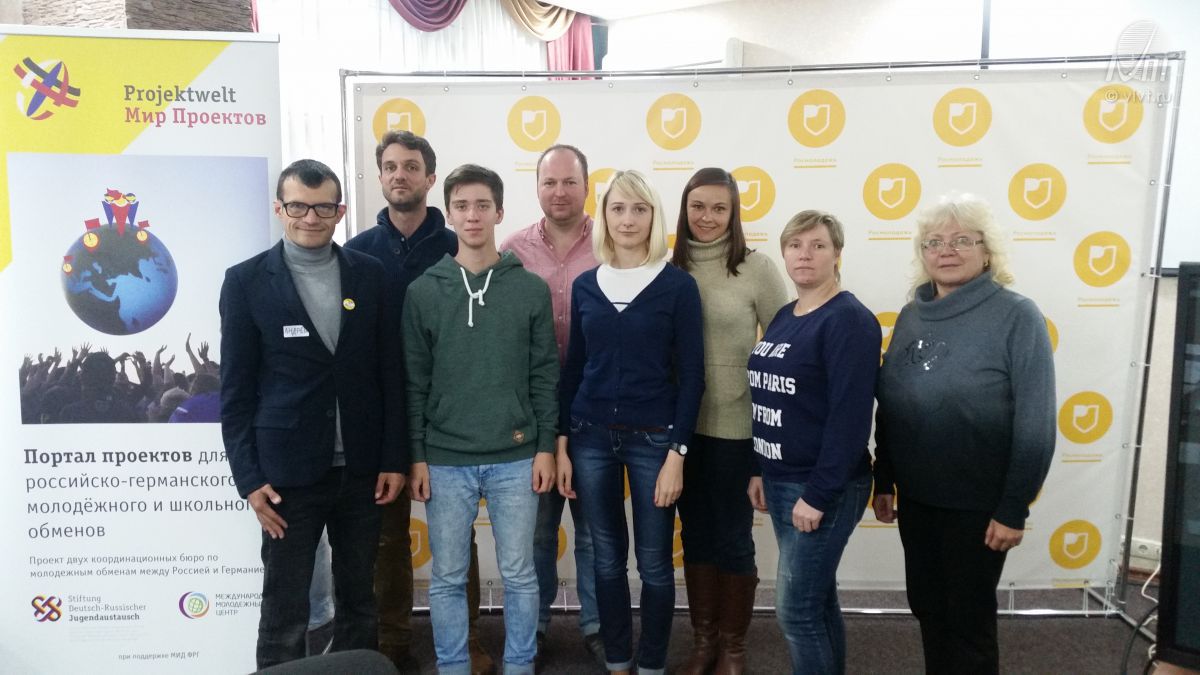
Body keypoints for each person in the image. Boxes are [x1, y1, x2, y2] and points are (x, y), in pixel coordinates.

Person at [219, 159, 405, 669]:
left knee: (359, 600)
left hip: (363, 471)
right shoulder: (246, 281)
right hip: (286, 477)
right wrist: (249, 479)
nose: (310, 218)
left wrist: (393, 459)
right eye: (298, 206)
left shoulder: (371, 275)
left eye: (323, 208)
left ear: (340, 212)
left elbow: (391, 374)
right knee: (285, 608)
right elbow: (235, 391)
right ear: (279, 209)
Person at [872, 194, 1056, 675]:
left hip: (978, 505)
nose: (946, 251)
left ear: (987, 250)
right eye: (934, 242)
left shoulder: (1017, 316)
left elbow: (1036, 422)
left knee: (968, 623)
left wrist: (1013, 507)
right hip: (917, 499)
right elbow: (891, 403)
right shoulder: (912, 315)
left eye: (961, 240)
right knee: (929, 609)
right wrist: (884, 478)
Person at [344, 130, 491, 674]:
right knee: (386, 538)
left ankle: (468, 638)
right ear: (380, 176)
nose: (399, 175)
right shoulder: (356, 253)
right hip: (380, 413)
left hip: (447, 412)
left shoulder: (458, 246)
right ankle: (392, 641)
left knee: (454, 535)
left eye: (411, 167)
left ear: (430, 178)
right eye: (390, 166)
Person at [404, 164, 559, 675]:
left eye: (482, 205)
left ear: (499, 212)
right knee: (448, 577)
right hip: (445, 460)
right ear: (448, 214)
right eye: (462, 206)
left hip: (516, 456)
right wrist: (417, 455)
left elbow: (544, 375)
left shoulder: (529, 289)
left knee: (519, 573)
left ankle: (519, 665)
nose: (472, 215)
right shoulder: (424, 291)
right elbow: (414, 382)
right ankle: (453, 666)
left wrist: (544, 447)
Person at [557, 169, 705, 675]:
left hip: (655, 443)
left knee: (656, 565)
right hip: (590, 439)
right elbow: (575, 369)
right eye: (617, 208)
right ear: (603, 215)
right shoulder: (586, 285)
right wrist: (562, 443)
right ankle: (618, 660)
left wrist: (677, 455)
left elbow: (692, 377)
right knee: (605, 559)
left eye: (639, 209)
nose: (627, 219)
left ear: (653, 217)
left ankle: (652, 663)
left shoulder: (678, 286)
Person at [746, 210, 879, 675]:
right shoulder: (787, 315)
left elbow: (850, 420)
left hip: (822, 487)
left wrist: (818, 495)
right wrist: (759, 468)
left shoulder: (849, 321)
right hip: (781, 479)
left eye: (818, 245)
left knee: (796, 611)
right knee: (817, 601)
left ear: (837, 254)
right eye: (795, 245)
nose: (805, 254)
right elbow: (771, 399)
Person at [669, 168, 787, 675]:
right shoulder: (666, 267)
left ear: (734, 213)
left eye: (720, 208)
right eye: (698, 206)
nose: (708, 217)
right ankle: (704, 643)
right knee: (694, 535)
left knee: (734, 537)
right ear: (684, 209)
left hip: (738, 429)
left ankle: (733, 648)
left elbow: (785, 351)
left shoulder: (756, 268)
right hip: (679, 429)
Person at [499, 144, 605, 669]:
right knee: (538, 532)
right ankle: (534, 627)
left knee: (593, 532)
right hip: (534, 411)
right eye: (549, 182)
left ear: (587, 185)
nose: (559, 192)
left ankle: (599, 627)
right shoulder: (512, 250)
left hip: (595, 409)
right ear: (536, 187)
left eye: (569, 182)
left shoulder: (611, 243)